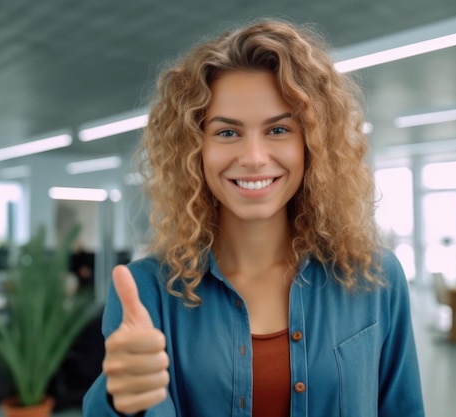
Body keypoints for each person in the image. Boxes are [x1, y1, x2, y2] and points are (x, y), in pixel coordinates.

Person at [83, 19, 424, 416]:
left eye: (278, 129)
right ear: (196, 148)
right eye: (227, 133)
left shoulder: (376, 277)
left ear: (311, 145)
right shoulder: (149, 292)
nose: (254, 157)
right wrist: (120, 400)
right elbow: (127, 400)